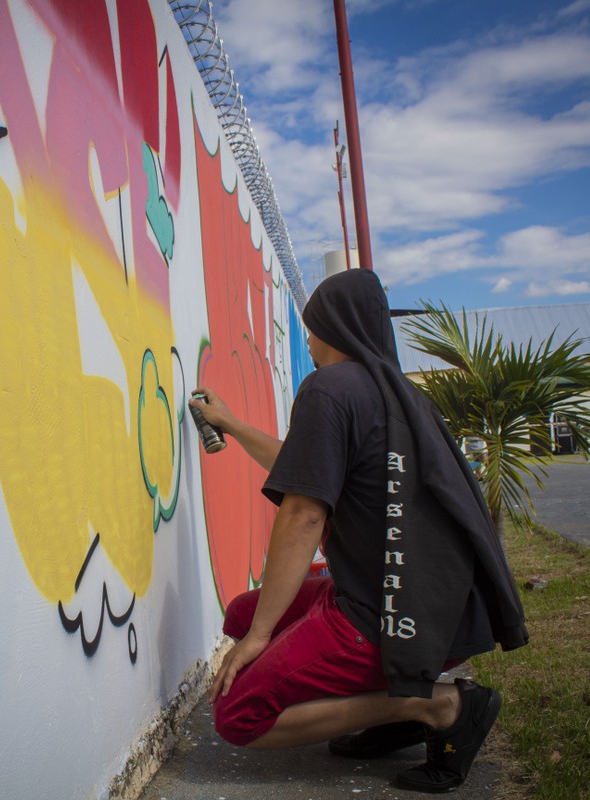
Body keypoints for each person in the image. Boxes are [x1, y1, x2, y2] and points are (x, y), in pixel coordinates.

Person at [189, 269, 528, 793]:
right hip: (434, 606)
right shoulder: (396, 394)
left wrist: (260, 638)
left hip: (388, 617)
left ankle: (436, 705)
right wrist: (231, 425)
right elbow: (303, 466)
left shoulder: (328, 388)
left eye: (312, 324)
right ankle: (393, 716)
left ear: (334, 325)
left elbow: (303, 512)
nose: (306, 337)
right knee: (242, 612)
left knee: (238, 716)